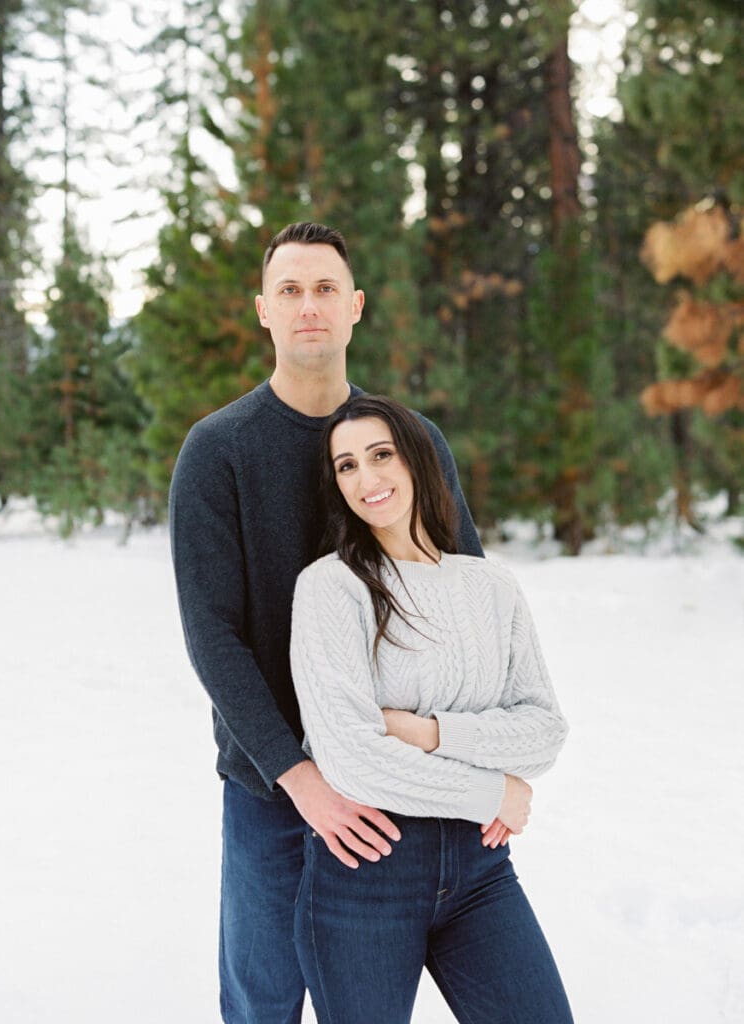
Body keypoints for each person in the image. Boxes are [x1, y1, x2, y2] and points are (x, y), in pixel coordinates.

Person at [168, 222, 486, 1023]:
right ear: (263, 312)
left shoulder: (411, 445)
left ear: (355, 309)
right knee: (263, 1000)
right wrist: (299, 779)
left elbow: (469, 607)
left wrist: (468, 757)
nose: (308, 306)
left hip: (395, 785)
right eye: (289, 291)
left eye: (324, 290)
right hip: (274, 791)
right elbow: (214, 637)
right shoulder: (217, 451)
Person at [290, 394, 573, 1023]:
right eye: (347, 466)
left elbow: (544, 731)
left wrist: (425, 731)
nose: (367, 478)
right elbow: (353, 761)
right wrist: (492, 792)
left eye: (381, 455)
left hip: (480, 874)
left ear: (418, 460)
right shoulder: (330, 588)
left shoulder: (491, 586)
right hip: (367, 873)